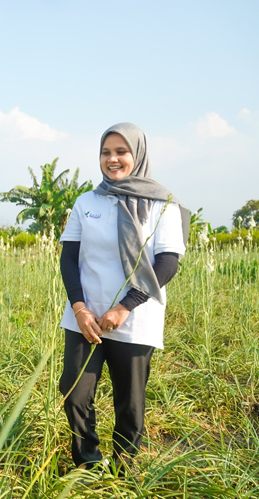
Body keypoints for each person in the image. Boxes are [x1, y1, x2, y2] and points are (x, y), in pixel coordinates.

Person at [58, 123, 189, 474]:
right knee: (74, 391)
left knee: (129, 401)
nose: (112, 159)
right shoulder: (87, 201)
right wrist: (80, 307)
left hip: (134, 317)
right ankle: (89, 463)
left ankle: (124, 467)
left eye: (121, 152)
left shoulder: (162, 204)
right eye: (105, 152)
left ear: (138, 155)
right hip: (84, 316)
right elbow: (69, 257)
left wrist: (125, 306)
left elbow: (168, 262)